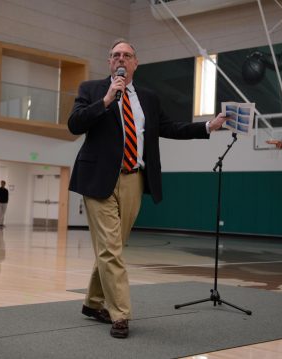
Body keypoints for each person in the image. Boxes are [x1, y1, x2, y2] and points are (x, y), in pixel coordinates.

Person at [68, 38, 228, 339]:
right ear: (109, 62)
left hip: (134, 178)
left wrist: (208, 126)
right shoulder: (91, 89)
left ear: (135, 63)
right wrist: (104, 100)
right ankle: (120, 315)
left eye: (127, 55)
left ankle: (92, 303)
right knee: (111, 250)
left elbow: (169, 128)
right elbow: (74, 124)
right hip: (97, 178)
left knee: (111, 248)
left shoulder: (148, 98)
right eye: (115, 55)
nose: (121, 59)